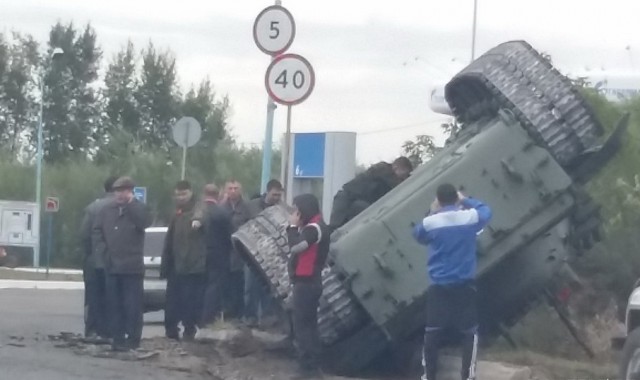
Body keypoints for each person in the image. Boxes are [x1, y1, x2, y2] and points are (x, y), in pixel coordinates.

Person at [412, 184, 492, 380]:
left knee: (432, 332)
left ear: (438, 199)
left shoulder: (431, 223)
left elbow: (418, 234)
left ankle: (429, 376)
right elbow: (486, 211)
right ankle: (468, 375)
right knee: (469, 332)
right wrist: (464, 200)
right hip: (464, 284)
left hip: (439, 285)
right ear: (455, 197)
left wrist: (433, 211)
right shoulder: (469, 217)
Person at [93, 176, 152, 351]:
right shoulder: (106, 210)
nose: (120, 194)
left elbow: (145, 222)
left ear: (131, 192)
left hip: (132, 267)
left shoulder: (139, 209)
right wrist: (103, 253)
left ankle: (133, 339)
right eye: (117, 191)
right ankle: (118, 339)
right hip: (112, 265)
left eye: (124, 191)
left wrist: (131, 204)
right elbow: (97, 231)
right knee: (114, 304)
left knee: (132, 305)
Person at [286, 193, 331, 377]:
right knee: (309, 325)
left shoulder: (314, 228)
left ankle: (307, 367)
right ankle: (312, 365)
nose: (295, 213)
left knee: (302, 326)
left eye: (297, 209)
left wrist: (291, 227)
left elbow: (296, 246)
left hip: (306, 282)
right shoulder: (318, 226)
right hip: (310, 281)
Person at [160, 180, 208, 341]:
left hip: (192, 265)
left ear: (191, 192)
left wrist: (197, 221)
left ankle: (189, 329)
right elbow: (169, 239)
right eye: (178, 194)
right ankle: (171, 330)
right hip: (176, 264)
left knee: (190, 301)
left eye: (184, 194)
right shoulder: (176, 212)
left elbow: (201, 213)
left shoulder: (198, 207)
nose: (181, 197)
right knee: (172, 301)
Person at [80, 175, 118, 339]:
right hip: (116, 262)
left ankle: (92, 331)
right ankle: (110, 332)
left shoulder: (93, 207)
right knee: (113, 297)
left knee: (93, 297)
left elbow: (83, 234)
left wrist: (90, 253)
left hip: (94, 261)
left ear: (104, 189)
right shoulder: (124, 207)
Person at [329, 156, 413, 230]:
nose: (404, 177)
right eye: (404, 173)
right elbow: (391, 180)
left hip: (355, 201)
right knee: (334, 229)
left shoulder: (387, 178)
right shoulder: (383, 168)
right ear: (396, 167)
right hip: (346, 199)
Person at [244, 179, 284, 325]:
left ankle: (268, 317)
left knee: (268, 287)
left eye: (279, 195)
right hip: (251, 251)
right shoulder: (251, 206)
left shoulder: (281, 209)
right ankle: (250, 316)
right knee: (250, 286)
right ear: (267, 192)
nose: (276, 198)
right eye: (274, 195)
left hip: (271, 254)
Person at [200, 183, 234, 326]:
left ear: (204, 194)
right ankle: (208, 318)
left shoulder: (198, 212)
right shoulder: (222, 213)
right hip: (219, 255)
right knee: (214, 287)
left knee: (199, 287)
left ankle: (196, 318)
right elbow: (230, 235)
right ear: (218, 194)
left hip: (198, 256)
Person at [220, 180, 251, 319]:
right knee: (225, 286)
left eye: (236, 188)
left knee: (240, 286)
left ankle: (240, 314)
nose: (233, 191)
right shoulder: (221, 207)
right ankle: (227, 313)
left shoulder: (246, 207)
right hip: (224, 252)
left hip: (241, 252)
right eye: (230, 188)